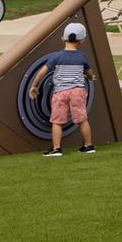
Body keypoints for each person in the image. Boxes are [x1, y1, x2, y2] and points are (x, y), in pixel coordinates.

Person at [27, 22, 95, 156]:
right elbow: (89, 72)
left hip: (61, 92)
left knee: (57, 121)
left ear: (62, 39)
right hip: (77, 91)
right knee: (82, 119)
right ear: (82, 41)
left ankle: (56, 148)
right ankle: (88, 146)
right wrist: (91, 77)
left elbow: (42, 72)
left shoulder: (57, 56)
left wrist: (34, 86)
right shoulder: (82, 56)